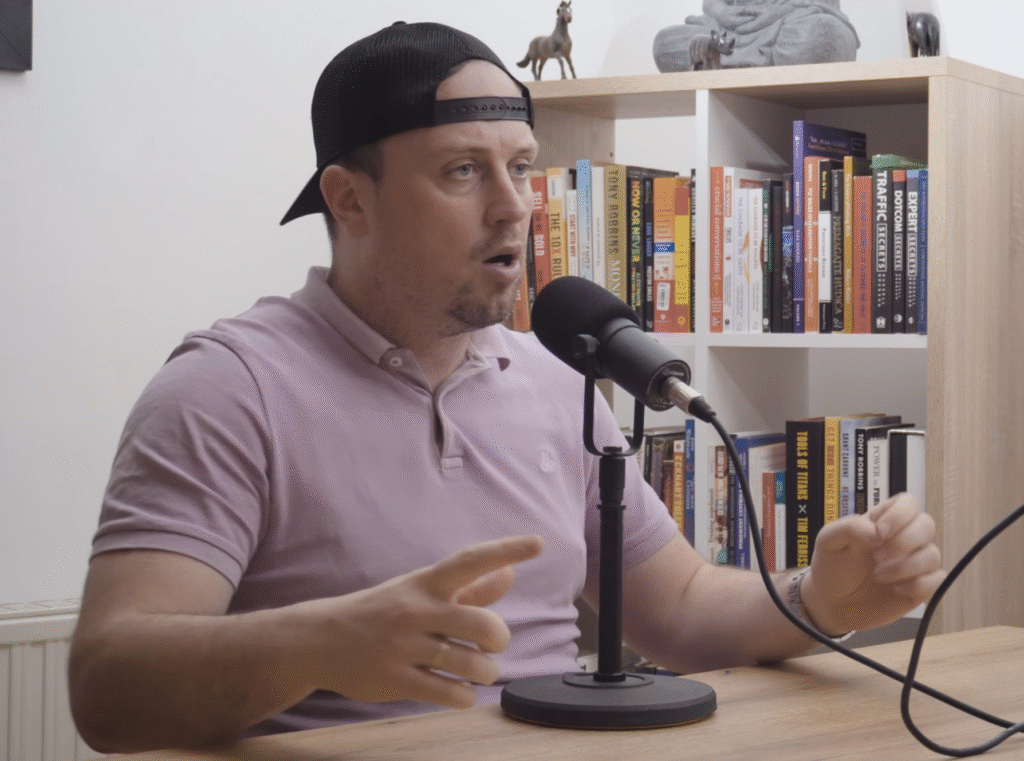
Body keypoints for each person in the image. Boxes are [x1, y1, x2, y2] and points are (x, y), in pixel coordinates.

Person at [68, 20, 943, 754]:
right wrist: (316, 643)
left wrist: (818, 599)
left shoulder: (557, 382)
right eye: (462, 171)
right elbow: (106, 690)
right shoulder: (227, 390)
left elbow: (678, 608)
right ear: (349, 199)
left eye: (521, 167)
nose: (514, 206)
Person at [653, 0, 860, 72]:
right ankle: (720, 53)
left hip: (788, 21)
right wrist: (721, 12)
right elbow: (712, 3)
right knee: (665, 44)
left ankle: (722, 59)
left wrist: (778, 11)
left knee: (820, 33)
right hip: (731, 31)